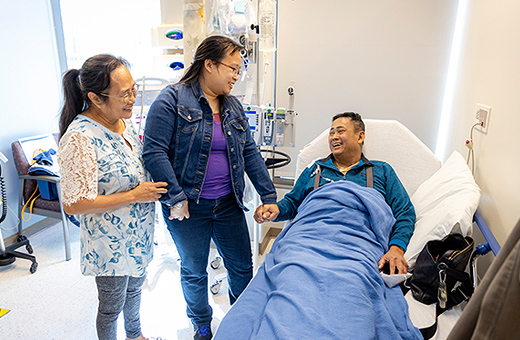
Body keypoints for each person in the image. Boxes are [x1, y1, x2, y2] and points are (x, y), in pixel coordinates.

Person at [142, 35, 277, 340]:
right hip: (188, 207)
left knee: (242, 267)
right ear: (209, 64)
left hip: (228, 204)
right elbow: (153, 151)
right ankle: (201, 324)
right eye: (232, 68)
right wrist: (175, 196)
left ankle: (241, 321)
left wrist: (268, 195)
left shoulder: (233, 107)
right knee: (193, 270)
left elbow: (250, 153)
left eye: (238, 70)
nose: (235, 75)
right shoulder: (172, 100)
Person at [57, 54, 168, 340]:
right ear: (95, 98)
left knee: (134, 291)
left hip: (138, 233)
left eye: (134, 89)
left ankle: (136, 335)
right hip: (110, 243)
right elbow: (74, 203)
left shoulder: (123, 123)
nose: (132, 98)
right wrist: (134, 195)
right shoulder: (79, 138)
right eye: (124, 94)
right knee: (111, 306)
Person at [255, 112, 416, 274]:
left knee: (354, 283)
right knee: (289, 273)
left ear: (360, 137)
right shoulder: (315, 170)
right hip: (307, 241)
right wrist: (276, 210)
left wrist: (396, 248)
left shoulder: (381, 171)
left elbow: (405, 213)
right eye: (331, 132)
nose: (334, 137)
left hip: (359, 246)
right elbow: (293, 203)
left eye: (340, 131)